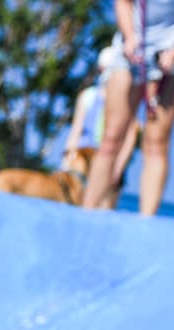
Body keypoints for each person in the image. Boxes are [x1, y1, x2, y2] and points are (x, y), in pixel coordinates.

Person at [81, 0, 174, 215]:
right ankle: (87, 213)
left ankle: (146, 223)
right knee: (111, 138)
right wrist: (130, 36)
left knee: (156, 144)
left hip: (173, 56)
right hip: (131, 49)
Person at [61, 45, 140, 209]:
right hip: (83, 160)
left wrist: (118, 168)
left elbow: (130, 137)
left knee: (104, 209)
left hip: (111, 163)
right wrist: (67, 159)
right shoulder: (88, 96)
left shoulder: (126, 101)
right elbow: (76, 130)